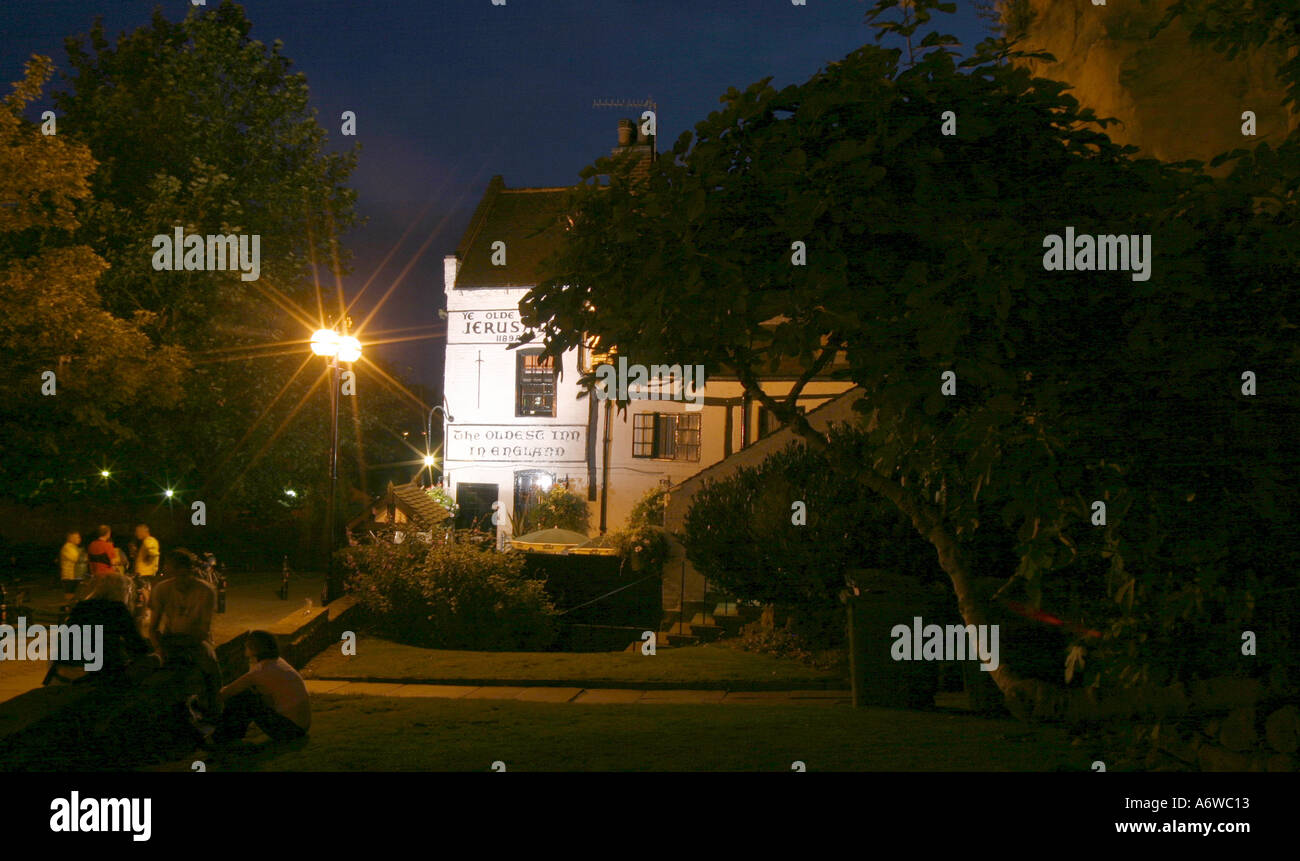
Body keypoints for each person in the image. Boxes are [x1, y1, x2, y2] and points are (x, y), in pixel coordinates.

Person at [44, 574, 156, 685]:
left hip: (61, 670)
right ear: (125, 591)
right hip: (89, 675)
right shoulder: (117, 608)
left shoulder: (81, 606)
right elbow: (136, 644)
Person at [148, 548, 221, 716]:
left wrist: (182, 646)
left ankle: (215, 706)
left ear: (190, 570)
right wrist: (159, 648)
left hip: (196, 641)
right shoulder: (162, 589)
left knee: (210, 667)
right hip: (169, 639)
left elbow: (204, 629)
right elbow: (153, 627)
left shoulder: (205, 591)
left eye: (183, 573)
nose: (179, 579)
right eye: (174, 573)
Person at [211, 630, 309, 746]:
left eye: (247, 645)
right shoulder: (278, 662)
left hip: (290, 730)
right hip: (301, 727)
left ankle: (225, 738)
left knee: (245, 697)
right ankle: (226, 735)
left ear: (254, 649)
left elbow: (225, 694)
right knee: (251, 695)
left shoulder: (260, 671)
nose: (245, 647)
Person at [59, 531, 82, 606]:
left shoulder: (73, 547)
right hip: (69, 576)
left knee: (74, 596)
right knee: (70, 596)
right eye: (77, 537)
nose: (79, 539)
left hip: (74, 575)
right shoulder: (67, 547)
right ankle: (69, 611)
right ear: (71, 538)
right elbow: (76, 558)